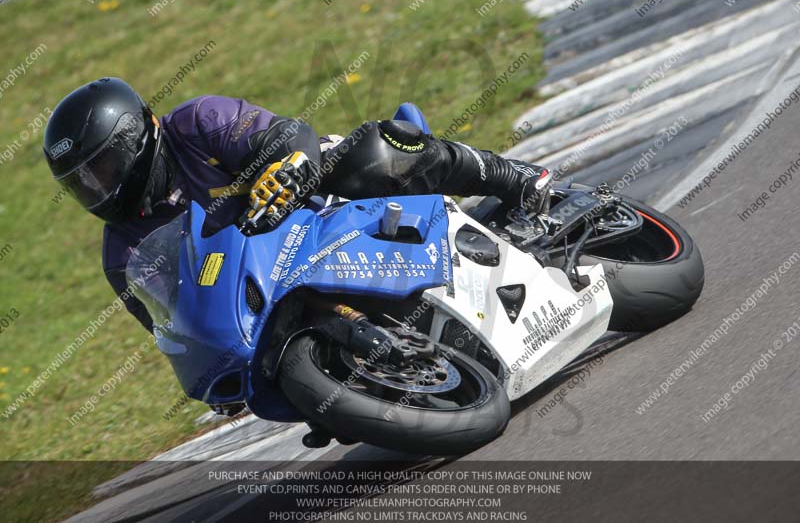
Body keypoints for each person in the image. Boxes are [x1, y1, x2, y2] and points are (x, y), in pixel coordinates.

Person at [43, 77, 550, 331]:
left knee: (370, 154)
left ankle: (513, 178)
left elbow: (291, 134)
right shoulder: (122, 254)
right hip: (263, 289)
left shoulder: (198, 122)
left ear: (136, 138)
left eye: (103, 168)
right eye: (81, 183)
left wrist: (285, 169)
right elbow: (173, 326)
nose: (98, 189)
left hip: (315, 205)